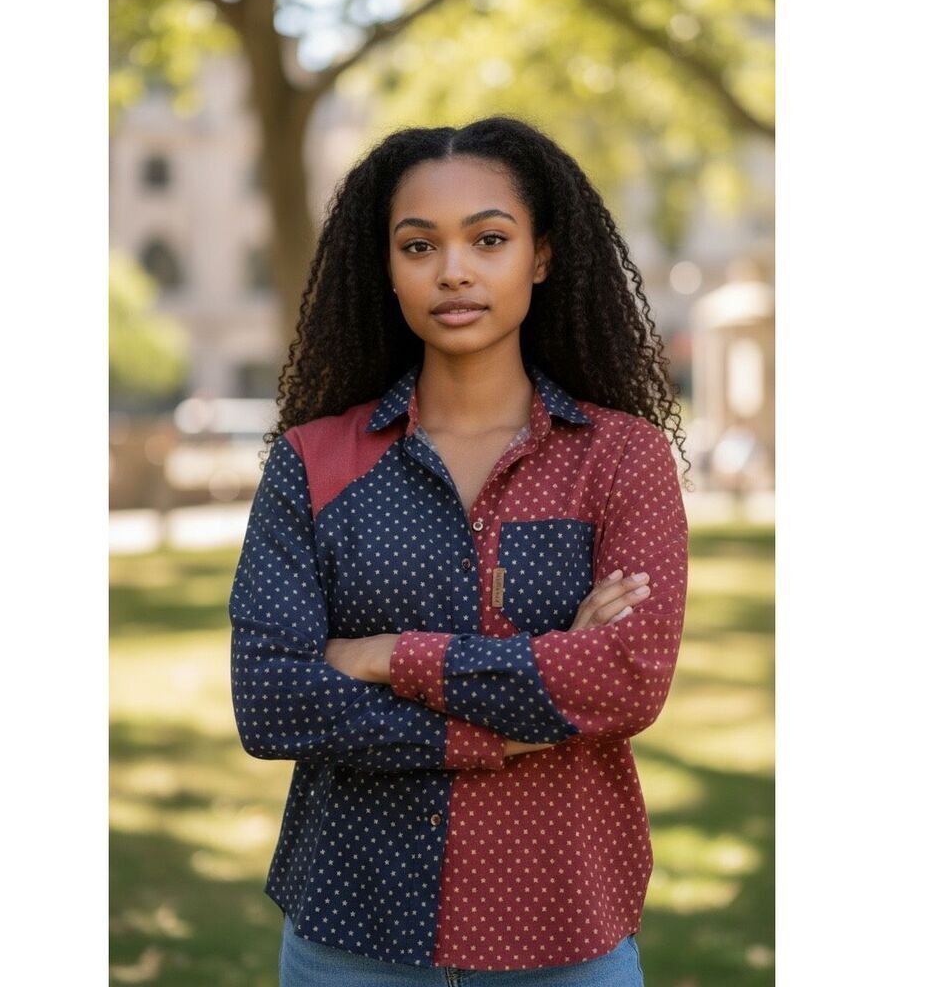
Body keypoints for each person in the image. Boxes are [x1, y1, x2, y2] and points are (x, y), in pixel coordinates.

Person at [228, 115, 691, 986]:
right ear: (388, 267)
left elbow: (628, 675)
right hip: (351, 929)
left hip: (563, 930)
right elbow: (271, 698)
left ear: (541, 256)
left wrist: (378, 656)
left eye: (488, 238)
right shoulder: (312, 462)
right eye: (418, 245)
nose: (454, 270)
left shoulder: (620, 457)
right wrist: (515, 716)